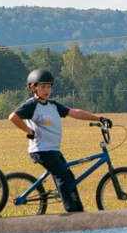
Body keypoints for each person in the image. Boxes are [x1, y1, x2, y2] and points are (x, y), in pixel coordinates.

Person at [8, 69, 111, 213]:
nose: (46, 90)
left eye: (49, 86)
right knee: (62, 175)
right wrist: (29, 131)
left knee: (69, 176)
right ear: (33, 87)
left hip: (53, 149)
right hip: (41, 150)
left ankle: (78, 210)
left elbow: (75, 112)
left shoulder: (52, 105)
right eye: (43, 87)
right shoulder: (32, 105)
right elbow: (13, 117)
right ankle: (71, 211)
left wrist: (99, 118)